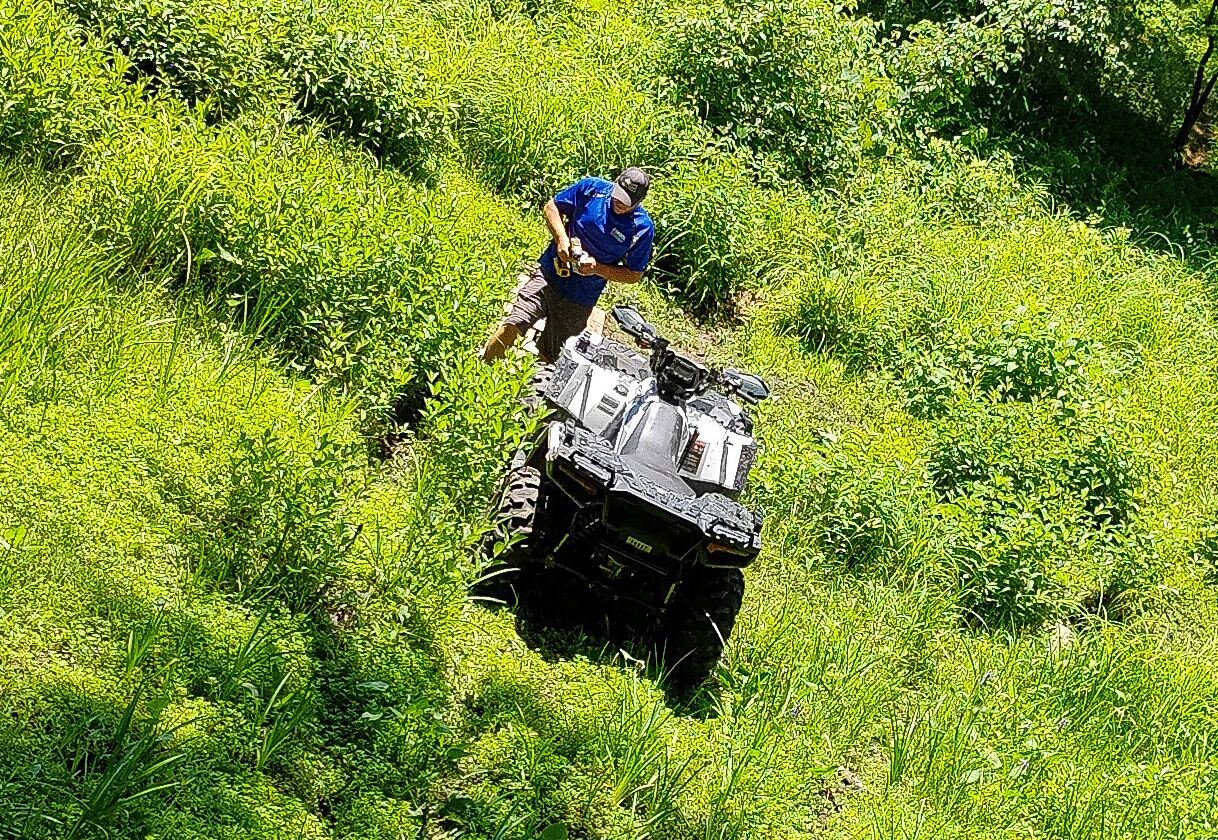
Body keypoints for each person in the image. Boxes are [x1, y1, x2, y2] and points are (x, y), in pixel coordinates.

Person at [481, 167, 655, 364]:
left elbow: (634, 274)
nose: (619, 203)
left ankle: (527, 389)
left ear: (639, 202)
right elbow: (552, 207)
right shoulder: (592, 189)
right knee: (513, 324)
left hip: (580, 297)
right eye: (618, 195)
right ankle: (482, 370)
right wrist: (562, 240)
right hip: (549, 273)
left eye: (626, 202)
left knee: (552, 354)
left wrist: (598, 268)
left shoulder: (642, 228)